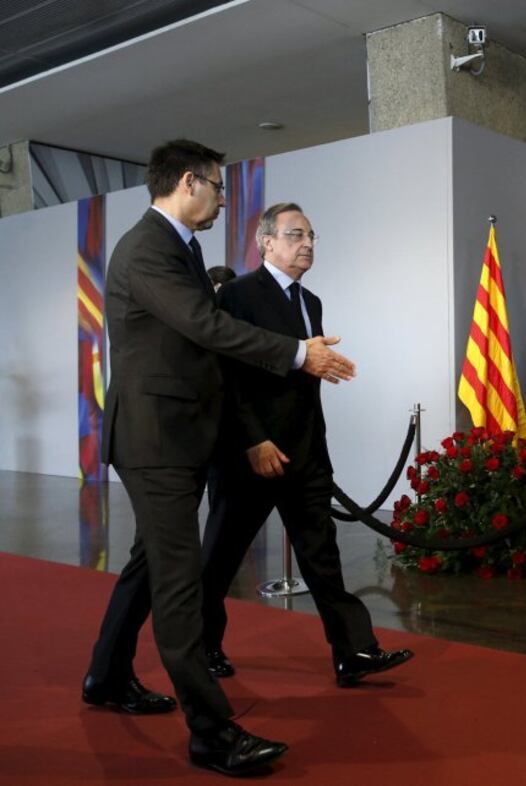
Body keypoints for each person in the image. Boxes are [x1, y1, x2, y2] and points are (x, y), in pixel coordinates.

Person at [81, 139, 355, 777]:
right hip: (155, 440)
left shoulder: (180, 246)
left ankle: (105, 675)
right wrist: (296, 353)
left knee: (150, 565)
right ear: (188, 182)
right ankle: (210, 732)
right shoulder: (148, 246)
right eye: (218, 187)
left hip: (175, 437)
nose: (225, 198)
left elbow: (197, 339)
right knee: (180, 583)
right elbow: (206, 327)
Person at [200, 203, 412, 686]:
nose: (308, 244)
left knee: (322, 556)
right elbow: (225, 376)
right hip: (251, 454)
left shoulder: (310, 301)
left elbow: (301, 372)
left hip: (306, 454)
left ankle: (353, 651)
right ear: (266, 242)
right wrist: (254, 440)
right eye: (296, 235)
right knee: (220, 559)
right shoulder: (236, 295)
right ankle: (203, 645)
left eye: (312, 236)